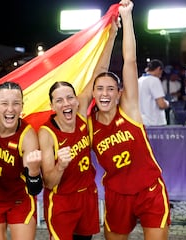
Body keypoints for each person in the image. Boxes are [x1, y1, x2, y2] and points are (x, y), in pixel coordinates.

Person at [88, 1, 171, 239]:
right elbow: (98, 70)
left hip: (149, 190)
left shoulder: (129, 109)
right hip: (116, 195)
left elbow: (130, 61)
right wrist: (110, 34)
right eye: (100, 89)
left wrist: (127, 19)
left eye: (110, 89)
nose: (105, 93)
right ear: (93, 93)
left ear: (119, 93)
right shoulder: (89, 123)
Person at [37, 11, 118, 240]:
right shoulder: (47, 133)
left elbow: (99, 72)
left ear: (76, 99)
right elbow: (49, 182)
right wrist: (60, 165)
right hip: (62, 200)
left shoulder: (81, 110)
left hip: (87, 197)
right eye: (59, 100)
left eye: (70, 97)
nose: (67, 103)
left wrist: (111, 35)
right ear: (52, 106)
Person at [0, 81, 42, 240]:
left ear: (22, 106)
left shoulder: (27, 135)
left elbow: (34, 188)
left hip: (19, 198)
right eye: (4, 103)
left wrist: (34, 172)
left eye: (15, 103)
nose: (10, 109)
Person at [138, 59, 170, 126]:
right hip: (155, 123)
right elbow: (161, 104)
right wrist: (167, 104)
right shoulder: (154, 80)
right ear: (158, 69)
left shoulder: (139, 80)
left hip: (142, 122)